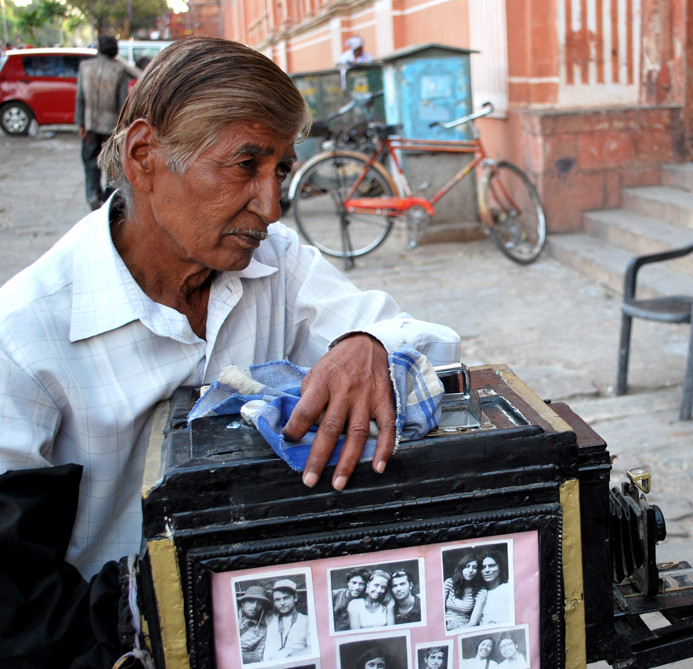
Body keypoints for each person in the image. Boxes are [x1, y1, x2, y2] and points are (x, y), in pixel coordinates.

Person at [0, 36, 459, 666]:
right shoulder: (23, 338)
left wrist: (365, 344)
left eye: (282, 172)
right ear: (144, 157)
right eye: (246, 166)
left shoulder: (276, 265)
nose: (270, 207)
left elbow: (424, 343)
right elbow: (17, 604)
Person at [75, 34, 131, 210]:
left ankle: (93, 194)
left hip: (90, 124)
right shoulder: (119, 70)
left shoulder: (85, 67)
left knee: (90, 161)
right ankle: (109, 200)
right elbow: (123, 102)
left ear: (99, 49)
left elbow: (80, 98)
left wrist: (81, 124)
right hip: (112, 127)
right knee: (112, 164)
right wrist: (124, 128)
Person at [263, 579, 310, 660]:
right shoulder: (269, 617)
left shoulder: (307, 620)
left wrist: (289, 653)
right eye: (277, 600)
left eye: (286, 598)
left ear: (295, 598)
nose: (282, 603)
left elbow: (313, 649)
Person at [443, 552, 487, 630]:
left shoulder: (480, 591)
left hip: (463, 628)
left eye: (475, 567)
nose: (470, 570)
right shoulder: (449, 583)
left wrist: (454, 632)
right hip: (445, 625)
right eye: (467, 566)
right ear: (461, 568)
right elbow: (439, 611)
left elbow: (473, 623)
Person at [237, 584, 273, 663]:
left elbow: (257, 658)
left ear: (263, 607)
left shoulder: (261, 631)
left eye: (259, 603)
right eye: (251, 601)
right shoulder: (229, 615)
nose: (255, 606)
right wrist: (242, 655)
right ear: (243, 603)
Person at [478, 551, 511, 626]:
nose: (487, 570)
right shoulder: (480, 593)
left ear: (500, 567)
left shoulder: (508, 588)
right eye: (483, 567)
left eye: (491, 566)